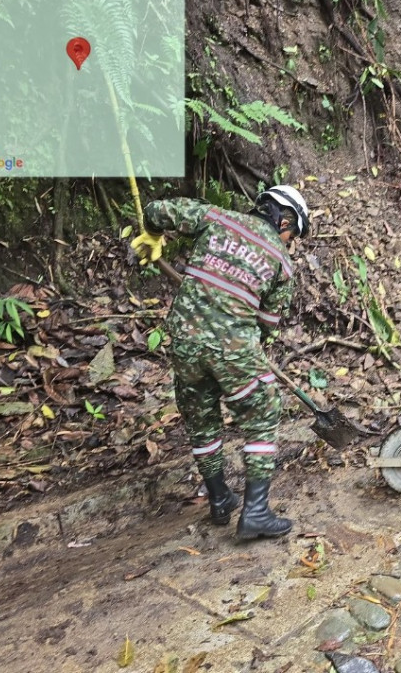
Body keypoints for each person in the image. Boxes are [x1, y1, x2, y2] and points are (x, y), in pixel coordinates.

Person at [130, 185, 310, 539]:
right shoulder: (282, 264)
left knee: (202, 420)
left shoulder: (215, 217)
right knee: (262, 415)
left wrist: (152, 237)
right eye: (293, 234)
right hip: (232, 347)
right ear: (284, 219)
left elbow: (155, 211)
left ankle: (220, 498)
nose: (290, 241)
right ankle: (255, 512)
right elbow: (267, 326)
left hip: (183, 342)